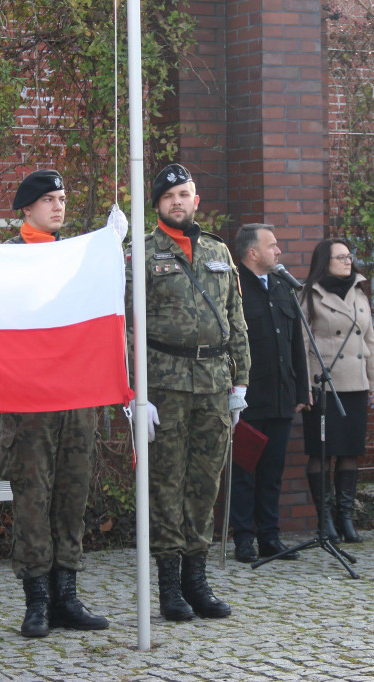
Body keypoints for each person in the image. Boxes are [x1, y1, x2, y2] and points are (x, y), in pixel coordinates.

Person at [125, 163, 250, 621]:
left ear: (197, 200)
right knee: (166, 484)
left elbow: (236, 316)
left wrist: (241, 381)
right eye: (168, 196)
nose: (177, 202)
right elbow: (123, 324)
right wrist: (134, 393)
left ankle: (198, 581)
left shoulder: (218, 250)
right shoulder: (140, 252)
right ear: (157, 205)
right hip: (165, 383)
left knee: (204, 483)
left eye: (185, 194)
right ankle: (170, 587)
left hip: (215, 382)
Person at [0, 169, 109, 638]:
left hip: (77, 397)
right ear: (27, 209)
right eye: (48, 200)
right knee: (32, 500)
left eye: (62, 199)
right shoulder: (6, 261)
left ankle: (66, 595)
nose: (58, 207)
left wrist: (109, 249)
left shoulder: (79, 257)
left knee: (71, 497)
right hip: (29, 402)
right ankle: (37, 600)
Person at [229, 224, 308, 563]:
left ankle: (270, 537)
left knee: (273, 472)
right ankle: (244, 540)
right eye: (272, 246)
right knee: (244, 472)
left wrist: (301, 390)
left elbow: (296, 345)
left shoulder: (280, 286)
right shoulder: (234, 289)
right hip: (248, 399)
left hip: (280, 396)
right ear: (253, 253)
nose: (278, 252)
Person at [299, 238, 374, 544]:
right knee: (322, 452)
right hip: (323, 386)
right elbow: (303, 345)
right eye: (340, 257)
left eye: (349, 256)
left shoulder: (360, 292)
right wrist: (305, 387)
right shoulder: (309, 294)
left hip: (356, 385)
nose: (348, 261)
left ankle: (345, 519)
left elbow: (369, 342)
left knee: (350, 452)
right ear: (325, 261)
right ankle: (325, 521)